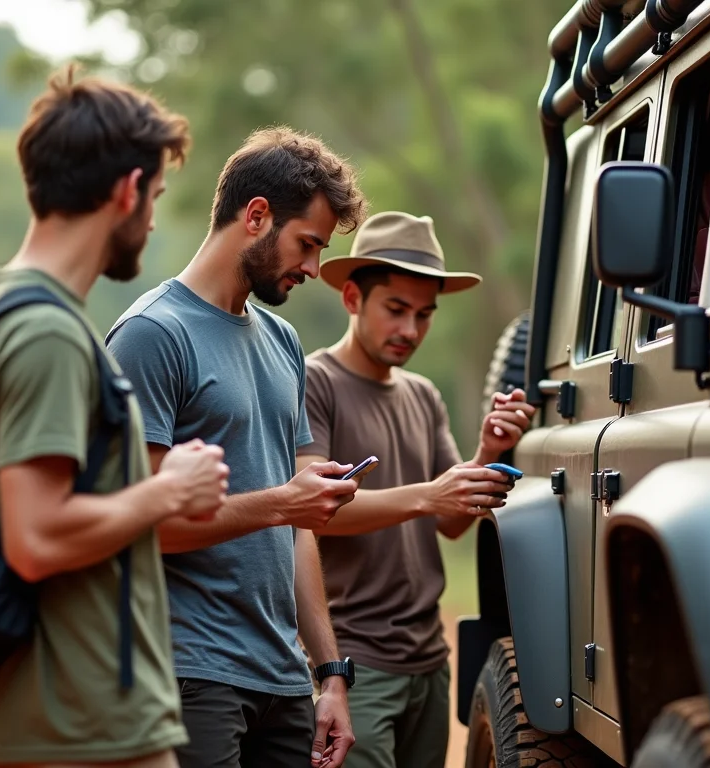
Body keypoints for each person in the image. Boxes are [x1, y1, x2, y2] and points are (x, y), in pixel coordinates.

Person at [0, 66, 231, 768]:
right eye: (155, 196)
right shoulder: (45, 333)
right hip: (81, 728)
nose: (150, 218)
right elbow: (36, 536)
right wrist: (169, 490)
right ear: (127, 190)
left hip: (60, 720)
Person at [106, 126, 371, 768]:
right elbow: (141, 527)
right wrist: (283, 503)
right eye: (307, 244)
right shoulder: (151, 335)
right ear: (255, 216)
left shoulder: (281, 341)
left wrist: (329, 672)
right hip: (189, 673)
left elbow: (298, 524)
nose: (314, 268)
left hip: (281, 679)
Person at [297, 211, 536, 768]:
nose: (411, 330)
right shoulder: (315, 382)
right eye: (396, 310)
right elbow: (315, 513)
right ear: (352, 297)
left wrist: (488, 453)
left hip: (429, 661)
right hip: (356, 662)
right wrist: (429, 494)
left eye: (424, 314)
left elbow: (450, 519)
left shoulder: (423, 395)